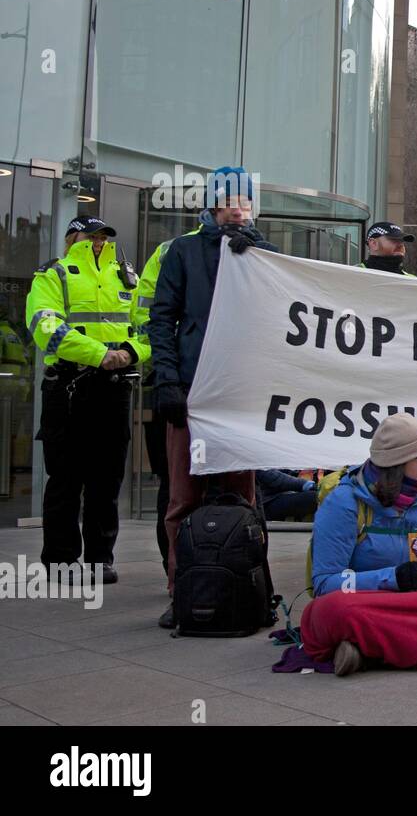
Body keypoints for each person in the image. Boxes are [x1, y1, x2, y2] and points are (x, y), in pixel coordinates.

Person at [147, 167, 280, 628]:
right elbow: (161, 320)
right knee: (184, 498)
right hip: (192, 392)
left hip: (239, 392)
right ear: (212, 204)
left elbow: (284, 308)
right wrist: (166, 380)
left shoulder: (262, 252)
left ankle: (246, 585)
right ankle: (183, 590)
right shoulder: (182, 252)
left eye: (245, 202)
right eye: (229, 201)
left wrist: (259, 253)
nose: (237, 209)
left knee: (242, 497)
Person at [25, 216, 149, 584]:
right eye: (89, 235)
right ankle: (61, 561)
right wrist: (99, 353)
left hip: (114, 387)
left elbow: (148, 326)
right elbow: (45, 326)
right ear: (71, 239)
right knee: (65, 479)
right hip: (68, 387)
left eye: (103, 236)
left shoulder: (127, 277)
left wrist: (130, 352)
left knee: (106, 480)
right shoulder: (54, 275)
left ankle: (100, 559)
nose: (97, 241)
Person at [309, 414, 417, 675]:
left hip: (411, 602)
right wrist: (391, 578)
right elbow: (324, 583)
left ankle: (368, 650)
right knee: (336, 609)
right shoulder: (343, 503)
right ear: (398, 462)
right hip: (366, 602)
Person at [133, 225, 201, 575]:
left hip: (220, 384)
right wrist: (166, 373)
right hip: (176, 382)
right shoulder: (174, 249)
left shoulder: (247, 246)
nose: (239, 210)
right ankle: (174, 574)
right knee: (175, 487)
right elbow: (148, 315)